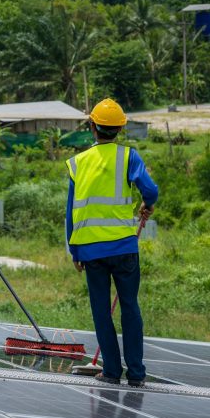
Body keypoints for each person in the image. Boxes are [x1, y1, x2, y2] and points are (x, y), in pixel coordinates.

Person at [66, 98, 158, 388]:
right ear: (120, 129)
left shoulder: (77, 163)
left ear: (92, 126)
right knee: (130, 307)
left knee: (101, 312)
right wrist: (147, 203)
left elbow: (71, 212)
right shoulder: (129, 157)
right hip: (124, 248)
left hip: (92, 251)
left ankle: (111, 372)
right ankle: (137, 374)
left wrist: (74, 250)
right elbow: (151, 190)